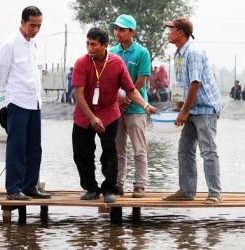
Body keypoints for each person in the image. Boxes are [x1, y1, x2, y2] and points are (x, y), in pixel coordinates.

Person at [71, 27, 158, 203]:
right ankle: (91, 188)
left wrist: (146, 106)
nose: (89, 48)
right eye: (87, 44)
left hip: (108, 113)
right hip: (84, 113)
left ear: (105, 46)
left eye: (93, 44)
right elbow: (78, 95)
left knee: (110, 151)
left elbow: (131, 90)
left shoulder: (117, 63)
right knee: (81, 152)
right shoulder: (82, 63)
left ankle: (110, 188)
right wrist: (92, 118)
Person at [162, 18, 223, 204]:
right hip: (191, 107)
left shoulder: (193, 52)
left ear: (180, 32)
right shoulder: (178, 54)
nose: (168, 32)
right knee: (185, 149)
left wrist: (184, 111)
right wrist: (178, 106)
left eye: (170, 29)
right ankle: (187, 191)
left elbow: (195, 84)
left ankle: (215, 193)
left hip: (205, 107)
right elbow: (182, 84)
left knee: (208, 150)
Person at [0, 6, 51, 200]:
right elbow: (0, 74)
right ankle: (13, 189)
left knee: (35, 146)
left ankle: (30, 186)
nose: (35, 30)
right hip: (17, 100)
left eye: (39, 26)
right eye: (32, 25)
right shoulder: (10, 44)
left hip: (34, 100)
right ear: (22, 23)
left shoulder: (33, 44)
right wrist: (9, 95)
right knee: (17, 145)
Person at [109, 14, 151, 198]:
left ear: (132, 32)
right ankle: (119, 184)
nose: (118, 33)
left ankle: (140, 185)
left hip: (135, 109)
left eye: (122, 30)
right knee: (118, 149)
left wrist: (127, 100)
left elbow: (140, 81)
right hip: (115, 109)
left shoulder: (142, 53)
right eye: (116, 29)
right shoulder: (111, 52)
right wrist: (118, 102)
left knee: (139, 149)